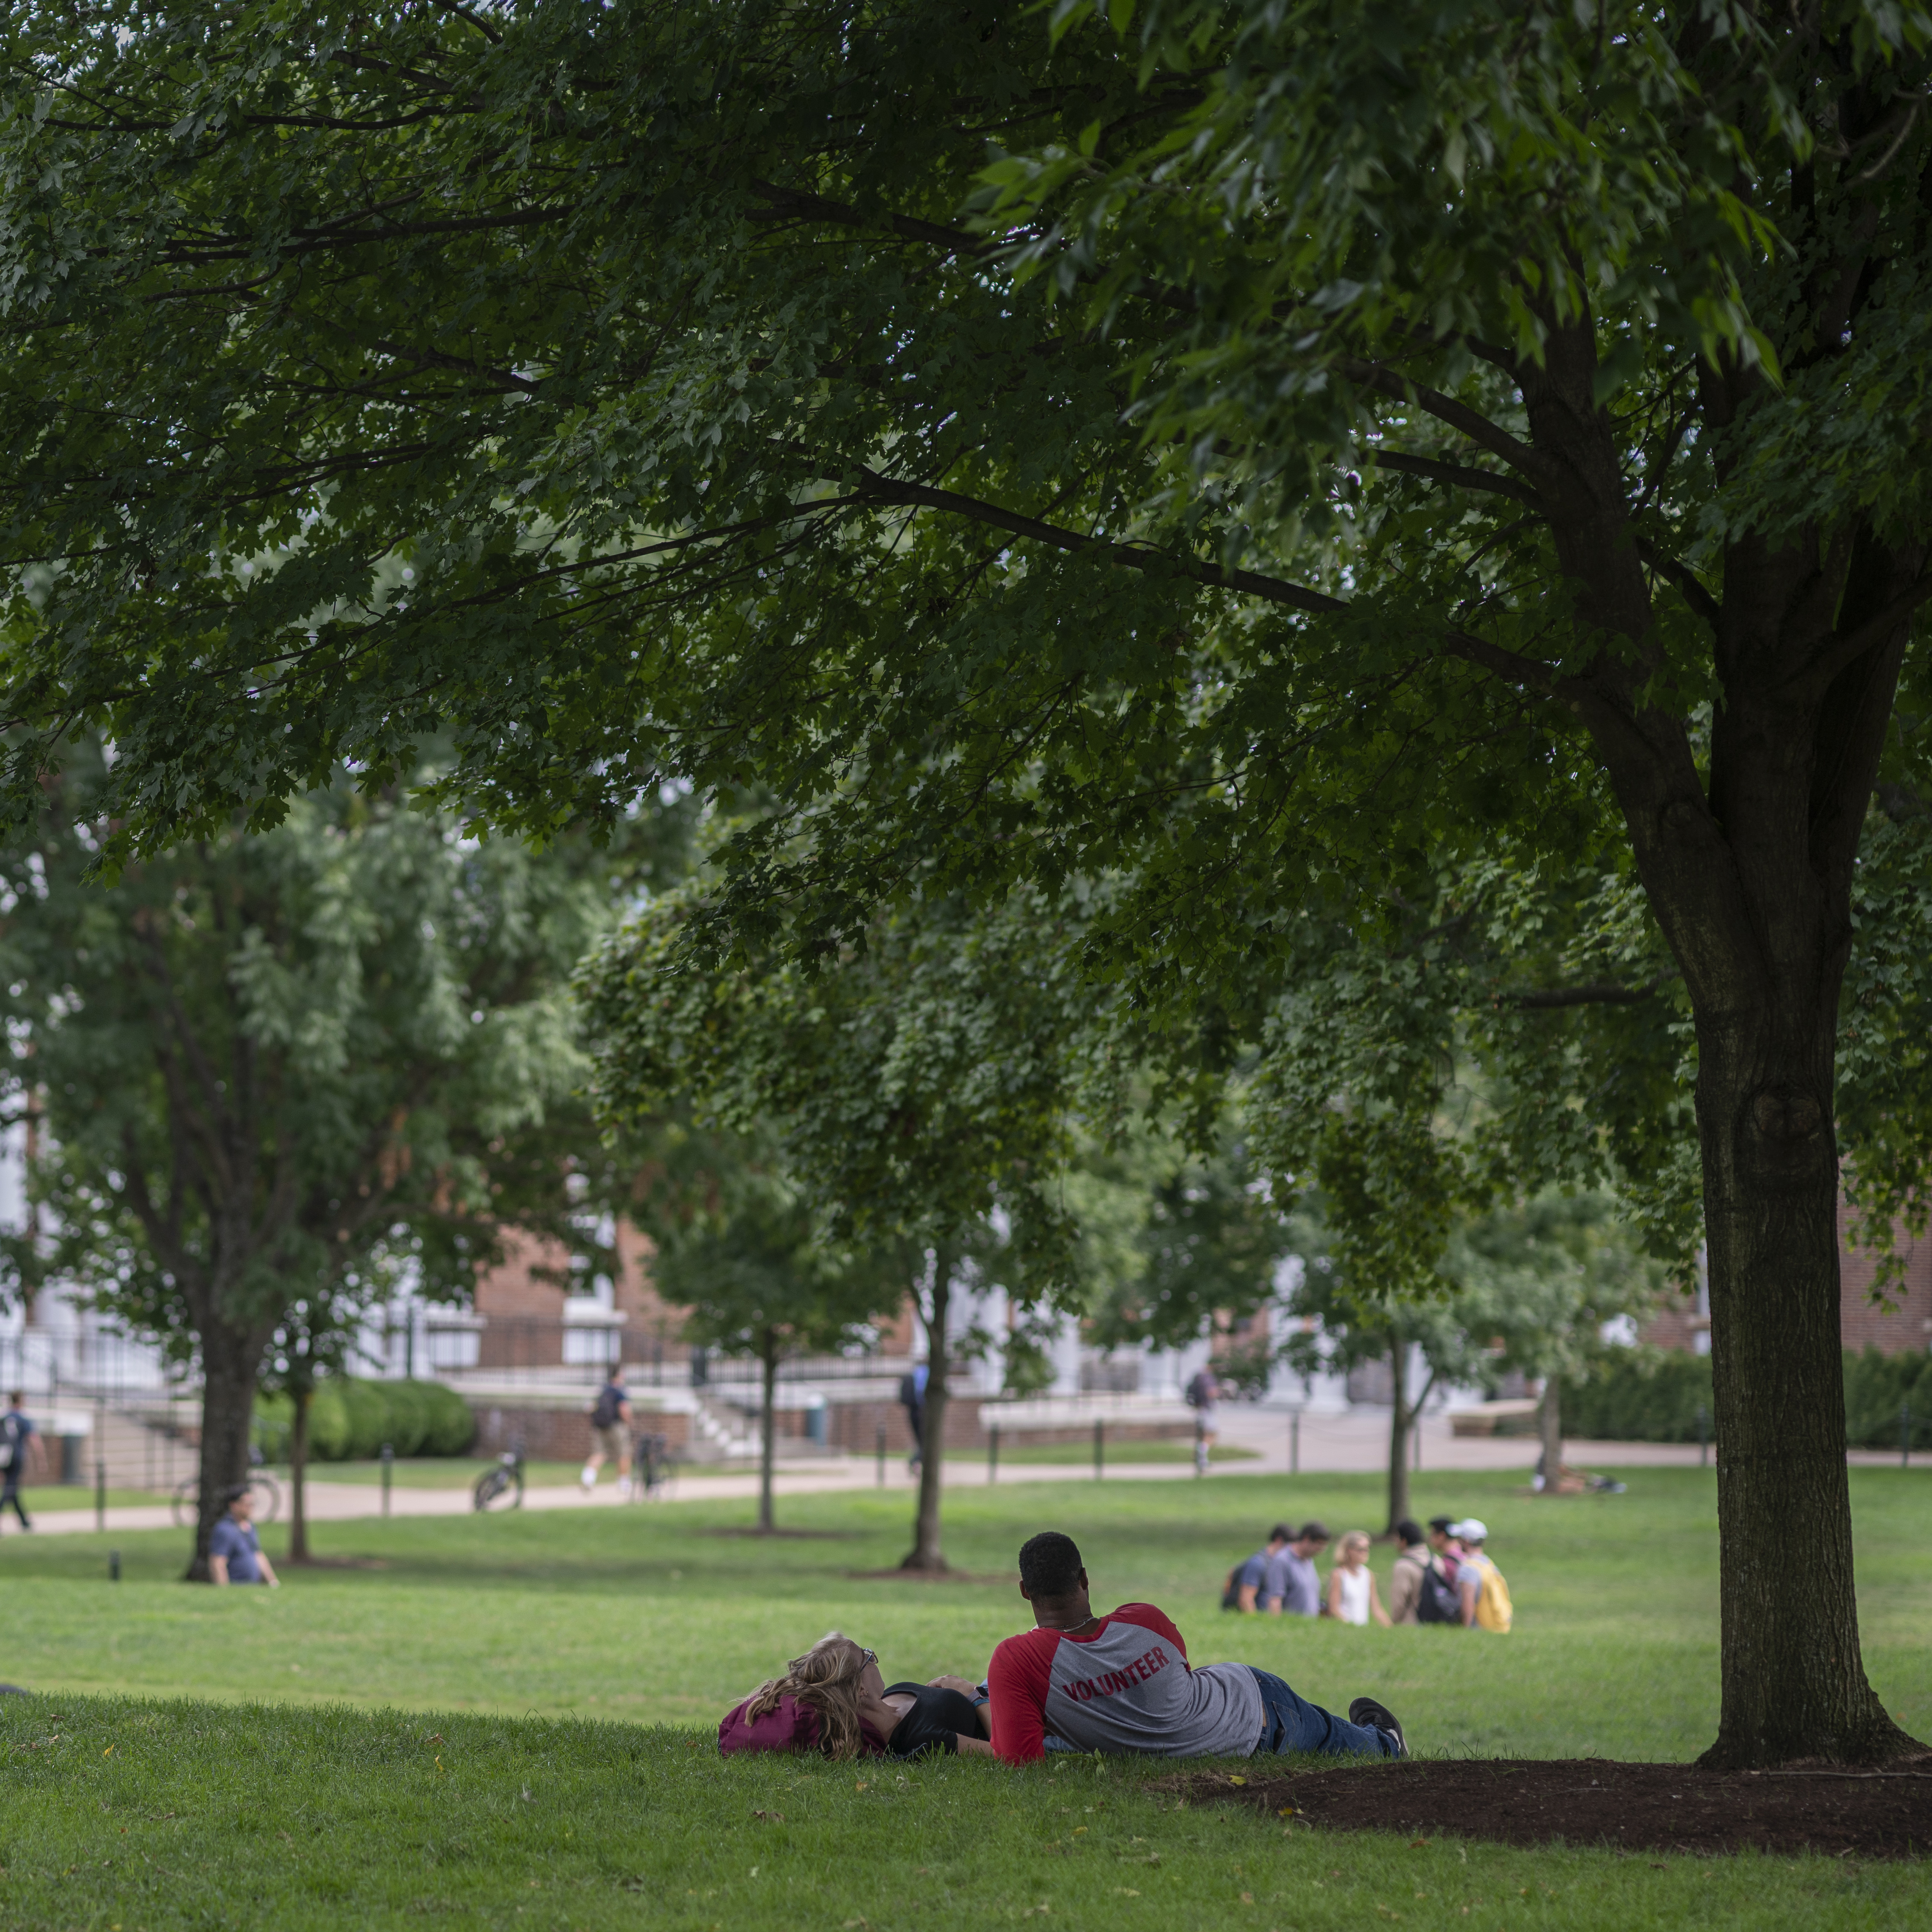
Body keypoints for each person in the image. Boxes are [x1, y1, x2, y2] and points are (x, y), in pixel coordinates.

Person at [985, 1530, 1405, 1765]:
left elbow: (1020, 1762)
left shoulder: (1015, 1661)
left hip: (1253, 1708)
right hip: (1253, 1702)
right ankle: (1384, 1741)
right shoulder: (1143, 1618)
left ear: (1025, 1591)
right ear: (1085, 1580)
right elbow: (1179, 1678)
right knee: (1334, 1737)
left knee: (1347, 1739)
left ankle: (1386, 1740)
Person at [719, 1632, 994, 1758]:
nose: (875, 1660)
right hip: (1004, 1708)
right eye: (868, 1658)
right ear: (860, 1690)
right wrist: (972, 1694)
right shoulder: (925, 1739)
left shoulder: (885, 1702)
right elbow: (1007, 1754)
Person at [208, 1484, 280, 1588]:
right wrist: (224, 1590)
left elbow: (258, 1555)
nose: (251, 1508)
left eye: (253, 1504)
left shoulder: (250, 1527)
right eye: (247, 1504)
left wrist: (273, 1583)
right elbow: (218, 1563)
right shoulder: (225, 1529)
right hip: (236, 1587)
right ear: (234, 1505)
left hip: (252, 1587)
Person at [581, 1364, 634, 1498]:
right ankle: (624, 1483)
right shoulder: (620, 1391)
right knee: (624, 1453)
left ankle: (588, 1479)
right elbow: (624, 1409)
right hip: (616, 1426)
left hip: (601, 1426)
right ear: (618, 1376)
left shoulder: (603, 1390)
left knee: (599, 1453)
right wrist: (629, 1424)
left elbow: (592, 1407)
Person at [1451, 1518, 1512, 1633]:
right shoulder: (1489, 1565)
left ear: (1467, 1541)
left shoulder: (1468, 1569)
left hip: (1479, 1629)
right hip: (1494, 1627)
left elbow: (1468, 1604)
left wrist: (1465, 1630)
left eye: (1460, 1538)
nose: (1458, 1541)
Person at [1324, 1532, 1392, 1627]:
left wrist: (1390, 1627)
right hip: (1344, 1628)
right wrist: (1351, 1627)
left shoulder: (1368, 1575)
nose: (1365, 1553)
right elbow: (1334, 1609)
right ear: (1349, 1551)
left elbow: (1376, 1608)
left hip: (1362, 1627)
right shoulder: (1339, 1575)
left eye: (1367, 1549)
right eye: (1361, 1550)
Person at [1222, 1524, 1293, 1612]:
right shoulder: (1258, 1563)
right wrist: (1255, 1622)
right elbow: (1246, 1599)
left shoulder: (1273, 1563)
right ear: (1279, 1541)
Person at [0, 1392, 44, 1533]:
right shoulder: (23, 1418)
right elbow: (34, 1439)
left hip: (3, 1456)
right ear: (21, 1401)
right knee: (10, 1487)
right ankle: (23, 1521)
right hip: (16, 1456)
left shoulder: (4, 1417)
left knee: (12, 1487)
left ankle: (24, 1521)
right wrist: (41, 1459)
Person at [1274, 1520, 1329, 1616]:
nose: (1321, 1551)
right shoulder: (1282, 1560)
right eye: (1319, 1545)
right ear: (1306, 1539)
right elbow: (1275, 1598)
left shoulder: (1309, 1560)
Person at [1387, 1520, 1430, 1624]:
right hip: (1435, 1620)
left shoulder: (1403, 1566)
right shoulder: (1435, 1560)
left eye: (1396, 1538)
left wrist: (1394, 1622)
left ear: (1404, 1541)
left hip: (1412, 1622)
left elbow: (1399, 1602)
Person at [1184, 1364, 1220, 1474]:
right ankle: (1201, 1452)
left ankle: (1202, 1459)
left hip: (1199, 1409)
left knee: (1204, 1435)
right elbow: (1212, 1393)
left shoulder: (1198, 1378)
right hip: (1207, 1410)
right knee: (1212, 1435)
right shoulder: (1208, 1380)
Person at [898, 1362, 928, 1472]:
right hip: (921, 1411)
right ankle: (915, 1461)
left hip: (913, 1411)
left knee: (921, 1440)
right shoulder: (926, 1372)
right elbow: (921, 1392)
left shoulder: (915, 1372)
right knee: (926, 1441)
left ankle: (918, 1464)